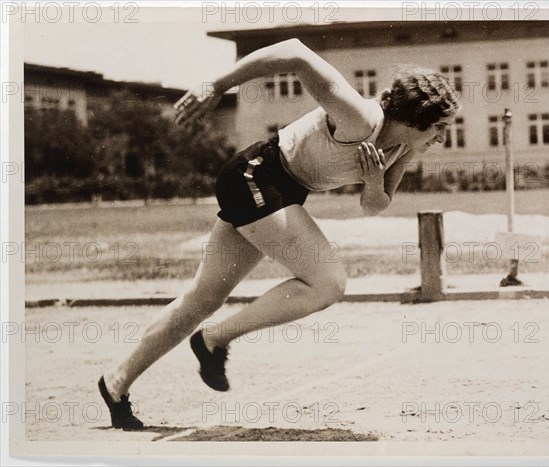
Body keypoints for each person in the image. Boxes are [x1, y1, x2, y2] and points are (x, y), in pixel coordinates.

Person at [97, 38, 460, 430]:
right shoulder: (359, 117)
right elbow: (295, 52)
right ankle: (213, 339)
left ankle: (115, 383)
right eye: (439, 128)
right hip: (256, 174)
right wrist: (217, 85)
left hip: (276, 190)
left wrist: (372, 182)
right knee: (328, 282)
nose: (441, 138)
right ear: (414, 118)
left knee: (200, 300)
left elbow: (375, 204)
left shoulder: (403, 147)